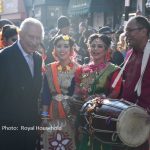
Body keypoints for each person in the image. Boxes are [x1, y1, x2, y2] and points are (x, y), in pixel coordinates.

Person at [0, 17, 44, 150]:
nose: (35, 42)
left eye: (38, 38)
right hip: (8, 128)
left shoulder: (37, 58)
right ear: (20, 35)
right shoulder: (4, 57)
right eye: (31, 37)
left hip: (30, 127)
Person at [74, 33, 122, 150]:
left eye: (100, 46)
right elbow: (77, 92)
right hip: (84, 117)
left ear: (106, 50)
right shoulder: (82, 69)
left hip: (104, 119)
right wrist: (75, 98)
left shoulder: (114, 70)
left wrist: (100, 98)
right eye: (93, 45)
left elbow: (114, 94)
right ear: (88, 48)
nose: (95, 49)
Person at [41, 34, 79, 150]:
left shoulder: (79, 69)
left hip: (71, 114)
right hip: (52, 113)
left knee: (69, 143)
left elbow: (78, 95)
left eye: (66, 46)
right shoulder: (49, 68)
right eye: (59, 46)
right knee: (52, 142)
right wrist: (44, 116)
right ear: (54, 49)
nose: (62, 50)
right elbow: (46, 94)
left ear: (71, 49)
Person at [120, 15, 150, 150]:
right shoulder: (129, 53)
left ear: (144, 31)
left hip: (146, 119)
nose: (126, 35)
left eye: (130, 30)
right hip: (129, 117)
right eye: (125, 31)